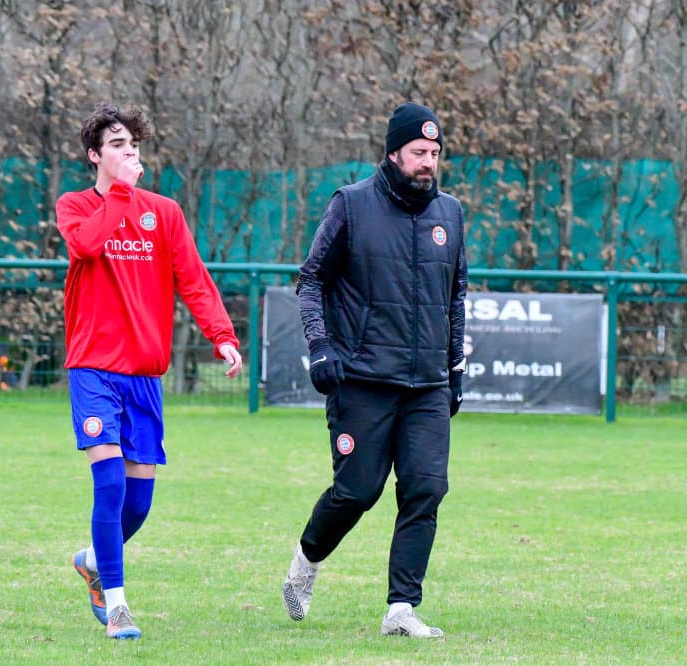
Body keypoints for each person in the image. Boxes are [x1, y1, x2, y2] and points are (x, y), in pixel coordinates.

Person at [56, 102, 243, 640]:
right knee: (109, 483)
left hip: (143, 377)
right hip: (93, 368)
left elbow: (194, 279)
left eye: (133, 144)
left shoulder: (162, 213)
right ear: (95, 155)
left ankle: (93, 560)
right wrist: (118, 192)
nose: (129, 151)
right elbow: (86, 245)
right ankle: (116, 605)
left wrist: (223, 336)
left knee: (138, 503)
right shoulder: (74, 206)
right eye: (116, 144)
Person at [282, 102, 468, 638]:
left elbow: (455, 296)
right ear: (392, 153)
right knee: (357, 492)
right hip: (363, 379)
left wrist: (453, 370)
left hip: (427, 385)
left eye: (435, 154)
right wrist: (321, 347)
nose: (428, 163)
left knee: (426, 489)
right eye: (418, 153)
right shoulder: (352, 205)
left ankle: (400, 610)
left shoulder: (450, 214)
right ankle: (305, 563)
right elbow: (312, 279)